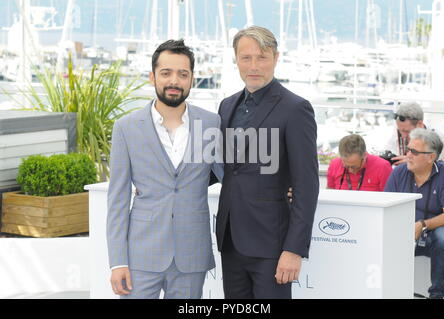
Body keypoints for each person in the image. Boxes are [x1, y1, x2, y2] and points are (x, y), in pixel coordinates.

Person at [106, 39, 223, 299]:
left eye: (183, 74)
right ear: (152, 76)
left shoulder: (211, 123)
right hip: (140, 254)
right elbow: (117, 199)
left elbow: (234, 177)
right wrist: (117, 261)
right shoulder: (126, 127)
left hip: (191, 255)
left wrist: (282, 186)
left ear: (192, 78)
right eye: (166, 73)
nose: (174, 81)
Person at [214, 26, 319, 299]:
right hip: (231, 240)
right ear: (235, 59)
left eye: (262, 57)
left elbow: (306, 185)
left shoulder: (295, 109)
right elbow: (221, 168)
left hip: (272, 245)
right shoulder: (226, 106)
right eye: (246, 57)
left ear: (276, 58)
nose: (254, 66)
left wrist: (294, 249)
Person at [384, 128, 444, 299]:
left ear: (431, 157)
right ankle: (388, 291)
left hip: (431, 234)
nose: (408, 155)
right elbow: (385, 208)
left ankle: (437, 294)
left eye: (414, 151)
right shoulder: (398, 173)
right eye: (408, 150)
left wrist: (422, 225)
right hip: (401, 232)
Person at [383, 102, 444, 166]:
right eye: (400, 131)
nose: (403, 136)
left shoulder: (440, 140)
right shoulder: (399, 133)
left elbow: (438, 168)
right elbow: (388, 150)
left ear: (420, 124)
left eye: (406, 131)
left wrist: (412, 161)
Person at [327, 134, 392, 191]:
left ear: (364, 155)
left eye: (354, 166)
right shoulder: (334, 164)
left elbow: (389, 197)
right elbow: (330, 194)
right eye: (346, 166)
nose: (350, 170)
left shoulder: (382, 167)